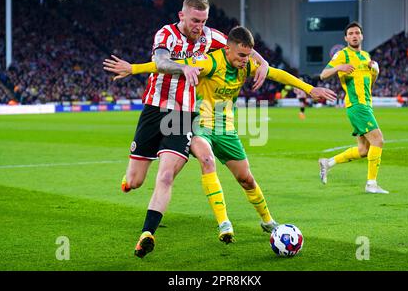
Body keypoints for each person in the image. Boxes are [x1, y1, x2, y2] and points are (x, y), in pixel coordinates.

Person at [105, 26, 337, 246]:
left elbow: (279, 75)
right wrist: (133, 68)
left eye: (248, 55)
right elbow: (169, 63)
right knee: (207, 160)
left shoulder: (246, 65)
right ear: (227, 48)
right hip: (198, 124)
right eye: (241, 55)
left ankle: (268, 221)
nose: (245, 60)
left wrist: (309, 89)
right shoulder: (209, 62)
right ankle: (224, 224)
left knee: (246, 178)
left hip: (226, 129)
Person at [103, 0, 270, 258]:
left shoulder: (209, 36)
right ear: (182, 16)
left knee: (167, 175)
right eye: (194, 20)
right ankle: (129, 179)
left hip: (182, 115)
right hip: (154, 110)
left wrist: (264, 63)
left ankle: (147, 234)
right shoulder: (166, 34)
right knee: (135, 181)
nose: (199, 26)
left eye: (203, 21)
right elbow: (160, 62)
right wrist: (184, 68)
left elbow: (240, 44)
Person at [318, 21, 389, 194]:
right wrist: (339, 67)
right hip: (356, 106)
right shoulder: (342, 55)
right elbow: (323, 75)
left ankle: (328, 163)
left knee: (364, 150)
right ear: (346, 38)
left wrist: (376, 73)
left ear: (362, 36)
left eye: (357, 33)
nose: (354, 36)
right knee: (378, 140)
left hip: (366, 104)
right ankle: (371, 184)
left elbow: (370, 85)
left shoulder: (365, 56)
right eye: (350, 34)